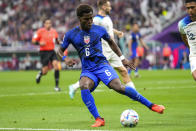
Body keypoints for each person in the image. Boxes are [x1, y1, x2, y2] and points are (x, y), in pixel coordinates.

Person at [57, 4, 165, 127]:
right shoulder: (71, 34)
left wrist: (122, 58)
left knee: (118, 87)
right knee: (83, 85)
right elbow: (59, 50)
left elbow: (112, 43)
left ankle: (152, 105)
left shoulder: (99, 30)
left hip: (102, 65)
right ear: (79, 18)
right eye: (86, 19)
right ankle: (99, 119)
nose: (90, 21)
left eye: (91, 18)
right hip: (88, 70)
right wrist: (65, 58)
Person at [68, 0, 135, 99]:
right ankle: (75, 86)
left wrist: (117, 33)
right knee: (99, 73)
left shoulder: (107, 17)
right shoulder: (96, 20)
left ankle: (134, 95)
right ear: (103, 7)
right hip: (102, 50)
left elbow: (107, 29)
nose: (110, 8)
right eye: (109, 6)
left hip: (112, 50)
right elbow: (92, 30)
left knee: (123, 71)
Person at [32, 19, 61, 91]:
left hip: (52, 51)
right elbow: (33, 41)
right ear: (44, 24)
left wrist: (59, 42)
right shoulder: (40, 31)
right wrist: (39, 43)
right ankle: (40, 73)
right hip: (43, 52)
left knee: (56, 66)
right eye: (47, 23)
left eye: (50, 23)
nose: (49, 24)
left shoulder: (54, 31)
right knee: (45, 71)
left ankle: (56, 86)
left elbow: (57, 41)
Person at [178, 0, 196, 81]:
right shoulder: (182, 24)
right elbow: (183, 37)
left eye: (192, 7)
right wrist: (191, 48)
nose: (190, 10)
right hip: (194, 55)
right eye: (188, 8)